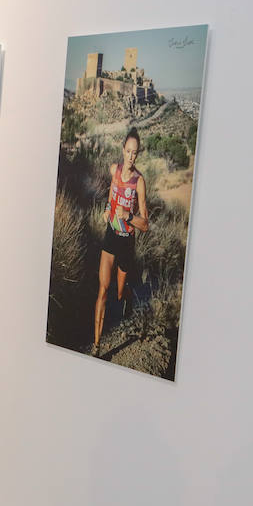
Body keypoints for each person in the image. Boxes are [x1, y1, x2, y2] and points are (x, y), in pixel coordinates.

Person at [92, 128, 151, 354]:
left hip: (127, 242)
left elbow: (145, 225)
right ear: (122, 150)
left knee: (117, 292)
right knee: (103, 290)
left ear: (138, 154)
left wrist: (129, 216)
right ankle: (96, 346)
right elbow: (111, 195)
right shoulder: (114, 171)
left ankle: (127, 296)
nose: (131, 156)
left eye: (135, 153)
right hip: (110, 238)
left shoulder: (139, 182)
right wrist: (108, 209)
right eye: (128, 151)